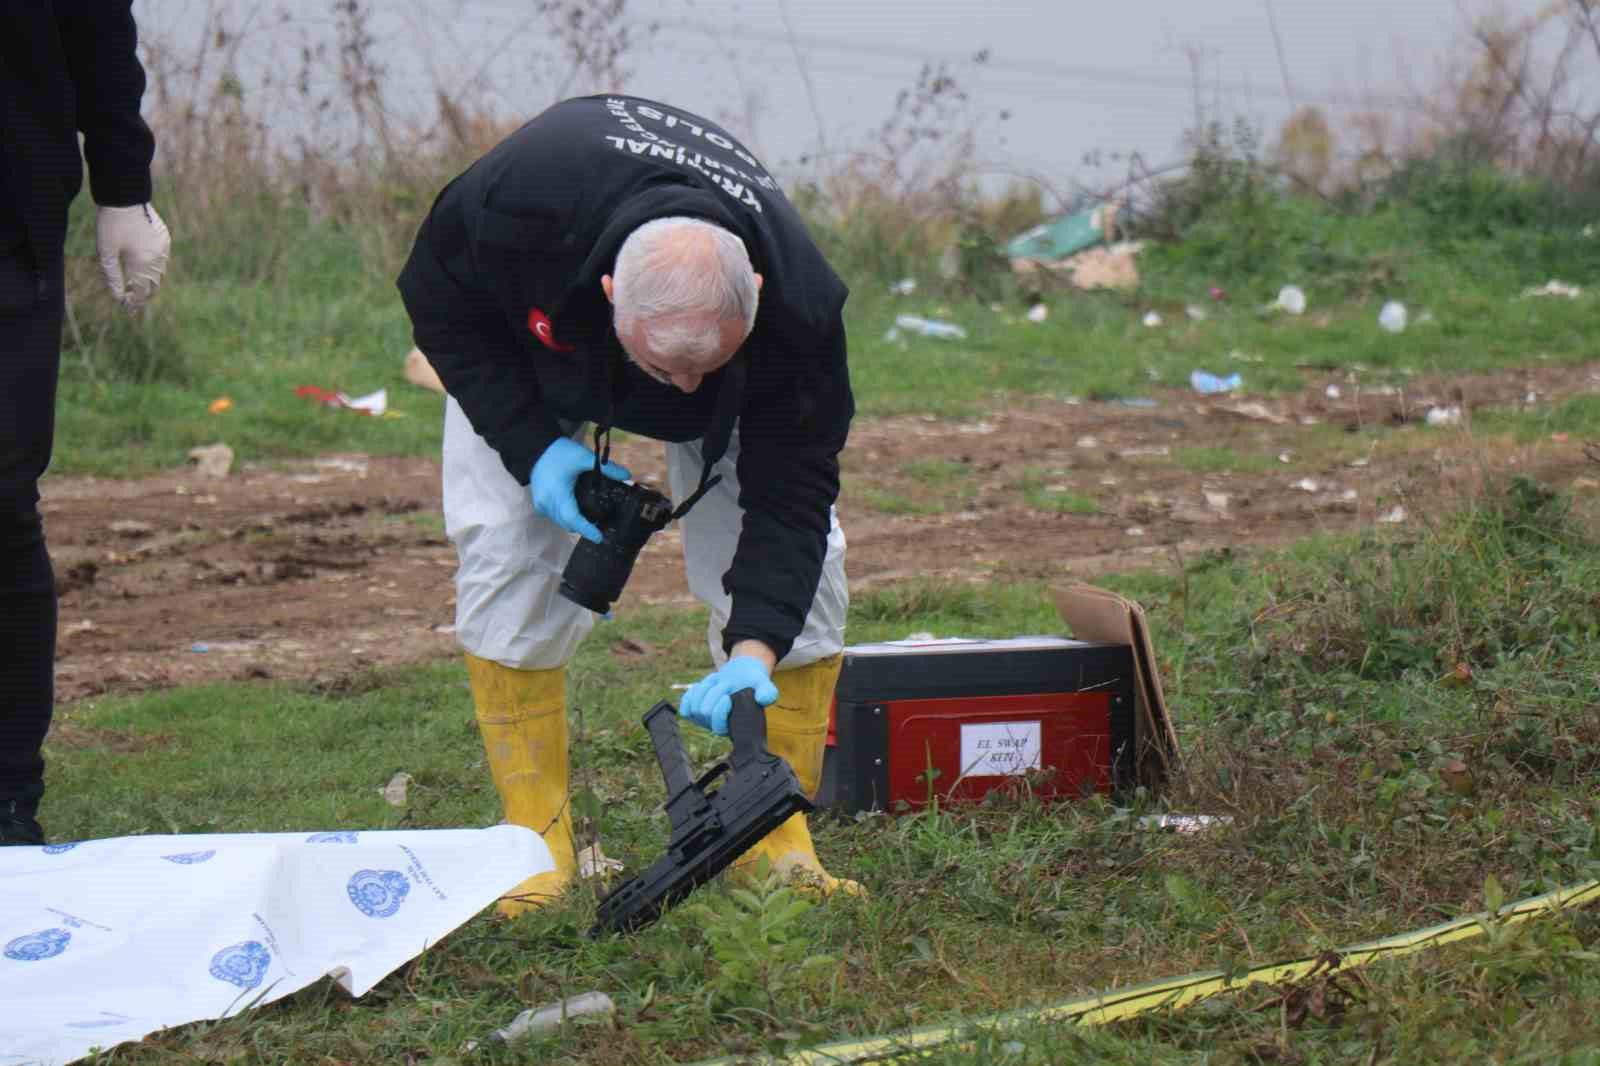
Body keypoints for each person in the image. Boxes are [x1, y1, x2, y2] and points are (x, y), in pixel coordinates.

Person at [397, 95, 856, 915]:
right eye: (666, 370)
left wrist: (756, 649)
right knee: (504, 546)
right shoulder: (511, 210)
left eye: (704, 368)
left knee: (816, 576)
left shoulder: (800, 305)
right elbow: (442, 313)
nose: (685, 388)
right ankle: (534, 837)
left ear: (754, 288)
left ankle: (776, 841)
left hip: (734, 370)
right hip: (543, 348)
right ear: (609, 291)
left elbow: (792, 497)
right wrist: (533, 446)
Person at [0, 3, 171, 846]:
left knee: (0, 503)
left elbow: (97, 25)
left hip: (9, 221)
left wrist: (123, 186)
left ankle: (6, 797)